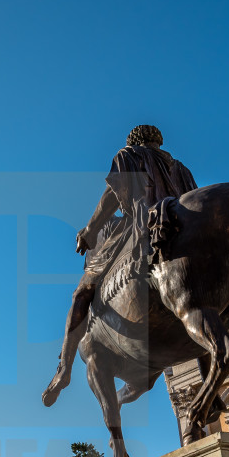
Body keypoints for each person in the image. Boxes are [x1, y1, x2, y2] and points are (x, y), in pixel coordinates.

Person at [41, 124, 197, 406]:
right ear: (158, 141)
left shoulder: (130, 155)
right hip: (183, 229)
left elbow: (113, 195)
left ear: (134, 140)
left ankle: (64, 369)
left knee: (81, 293)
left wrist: (89, 231)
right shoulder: (182, 168)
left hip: (144, 226)